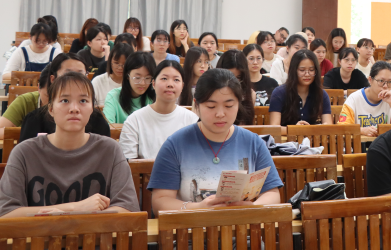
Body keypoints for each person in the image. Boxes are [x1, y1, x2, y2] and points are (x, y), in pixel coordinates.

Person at [0, 72, 139, 218]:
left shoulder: (110, 150)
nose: (74, 108)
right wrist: (75, 208)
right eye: (65, 100)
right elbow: (5, 213)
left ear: (92, 108)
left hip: (93, 234)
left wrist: (64, 215)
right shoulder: (24, 152)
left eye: (83, 101)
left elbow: (129, 209)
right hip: (41, 234)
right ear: (51, 109)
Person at [148, 68, 283, 214]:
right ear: (196, 105)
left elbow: (272, 193)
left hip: (241, 226)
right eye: (211, 106)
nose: (220, 114)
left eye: (229, 106)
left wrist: (251, 207)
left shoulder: (253, 143)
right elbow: (160, 201)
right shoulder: (175, 145)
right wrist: (199, 208)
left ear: (238, 104)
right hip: (192, 227)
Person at [18, 54, 111, 141]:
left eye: (80, 74)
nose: (74, 80)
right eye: (68, 74)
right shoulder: (34, 120)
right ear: (53, 79)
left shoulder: (98, 120)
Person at [120, 61, 199, 160]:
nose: (170, 84)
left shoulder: (192, 121)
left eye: (176, 80)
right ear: (153, 83)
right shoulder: (134, 120)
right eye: (164, 78)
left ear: (182, 86)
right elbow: (127, 163)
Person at [269, 50, 333, 129]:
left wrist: (312, 129)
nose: (307, 74)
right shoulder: (279, 93)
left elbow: (328, 126)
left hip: (312, 136)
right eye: (302, 70)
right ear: (293, 71)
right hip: (286, 137)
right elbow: (274, 128)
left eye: (311, 70)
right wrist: (295, 129)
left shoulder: (321, 94)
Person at [339, 62, 391, 136]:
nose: (385, 86)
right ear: (370, 80)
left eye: (390, 82)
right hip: (360, 143)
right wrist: (361, 130)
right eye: (381, 81)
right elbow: (342, 128)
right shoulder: (354, 99)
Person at [102, 51, 156, 124]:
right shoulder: (113, 97)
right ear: (127, 75)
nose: (142, 83)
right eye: (137, 78)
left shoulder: (154, 98)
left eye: (147, 78)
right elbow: (108, 127)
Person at [0, 66, 51, 139]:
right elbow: (0, 130)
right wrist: (28, 131)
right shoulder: (25, 101)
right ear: (39, 88)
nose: (53, 101)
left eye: (63, 99)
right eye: (48, 96)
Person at [216, 50, 256, 125]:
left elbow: (244, 125)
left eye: (238, 78)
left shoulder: (250, 94)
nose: (233, 82)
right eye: (229, 76)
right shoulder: (209, 92)